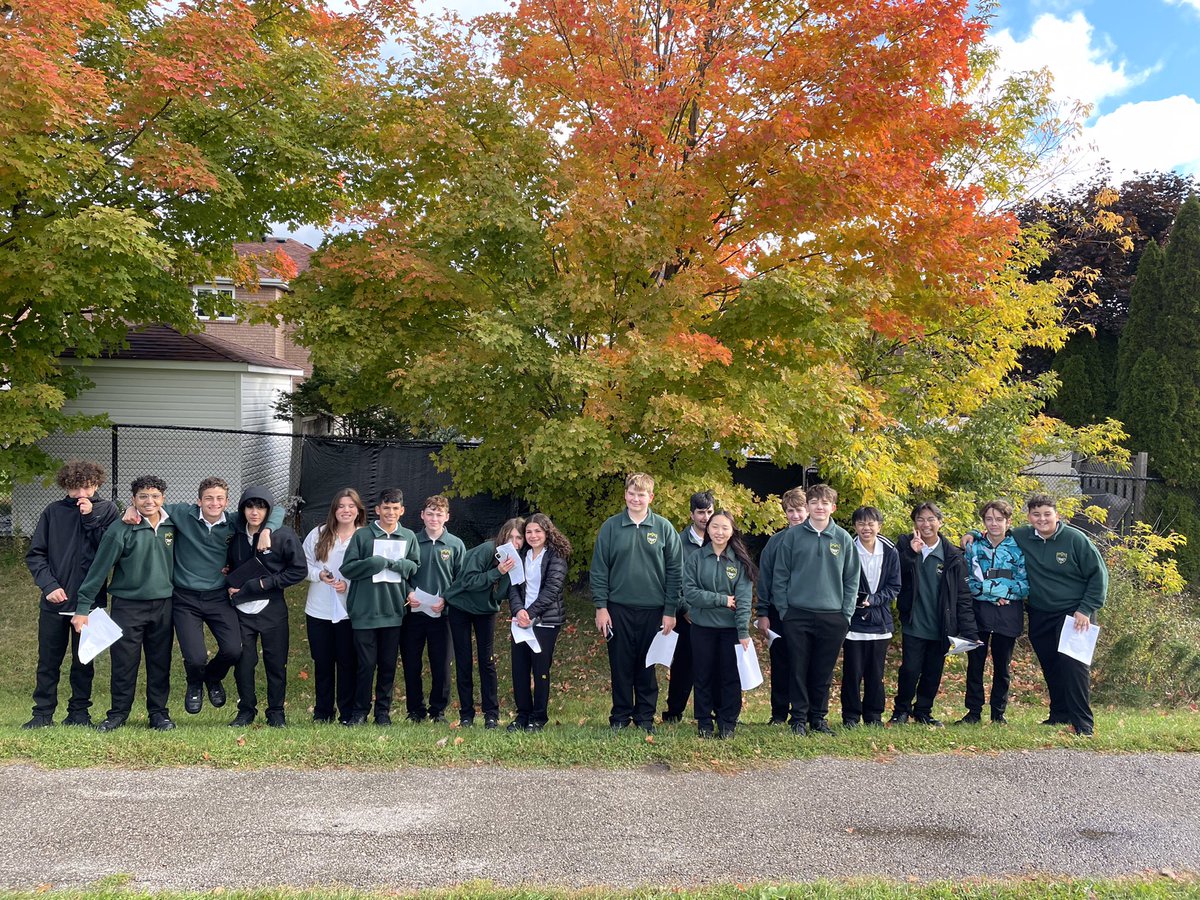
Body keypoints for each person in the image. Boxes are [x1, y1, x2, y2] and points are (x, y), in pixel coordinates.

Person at [119, 476, 284, 718]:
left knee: (233, 650)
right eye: (208, 498)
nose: (214, 503)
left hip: (218, 597)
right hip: (185, 599)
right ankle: (194, 682)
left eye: (220, 499)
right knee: (195, 658)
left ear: (227, 502)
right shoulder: (183, 514)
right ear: (199, 500)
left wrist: (267, 530)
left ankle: (212, 678)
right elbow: (151, 504)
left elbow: (277, 509)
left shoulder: (235, 521)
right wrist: (130, 507)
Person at [71, 475, 177, 732]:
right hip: (128, 606)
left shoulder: (173, 525)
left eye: (154, 496)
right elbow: (99, 570)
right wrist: (82, 608)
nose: (149, 501)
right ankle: (118, 713)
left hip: (164, 604)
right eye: (142, 497)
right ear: (133, 499)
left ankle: (159, 714)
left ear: (163, 499)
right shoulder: (120, 529)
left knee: (160, 662)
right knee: (124, 663)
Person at [24, 461, 119, 729]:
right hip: (55, 601)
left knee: (83, 662)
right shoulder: (53, 512)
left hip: (90, 604)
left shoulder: (108, 510)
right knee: (48, 661)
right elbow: (36, 554)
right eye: (75, 488)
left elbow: (108, 550)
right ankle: (42, 714)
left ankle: (79, 713)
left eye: (87, 487)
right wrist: (49, 585)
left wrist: (90, 518)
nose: (81, 494)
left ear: (97, 485)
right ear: (66, 487)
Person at [590, 472, 683, 735]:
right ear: (625, 495)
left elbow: (676, 571)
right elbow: (599, 570)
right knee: (620, 665)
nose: (636, 498)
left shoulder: (664, 528)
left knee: (646, 665)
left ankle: (645, 716)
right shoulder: (611, 527)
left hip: (654, 610)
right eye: (632, 493)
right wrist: (601, 606)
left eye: (641, 494)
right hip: (617, 608)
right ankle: (620, 715)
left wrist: (670, 611)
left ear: (650, 497)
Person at [1011, 494, 1106, 736]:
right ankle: (1059, 714)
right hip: (1040, 612)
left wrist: (1086, 609)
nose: (1042, 519)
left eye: (1046, 514)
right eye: (1036, 514)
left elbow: (1099, 576)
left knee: (1074, 666)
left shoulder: (1075, 539)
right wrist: (971, 534)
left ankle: (1083, 724)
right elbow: (995, 531)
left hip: (1075, 612)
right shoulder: (1022, 536)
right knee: (1051, 664)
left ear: (1057, 515)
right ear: (1029, 517)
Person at [770, 484, 860, 735]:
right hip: (797, 614)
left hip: (833, 616)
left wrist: (846, 614)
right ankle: (798, 719)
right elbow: (780, 576)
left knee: (823, 670)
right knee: (798, 669)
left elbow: (852, 578)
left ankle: (818, 718)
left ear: (833, 507)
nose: (819, 507)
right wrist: (784, 610)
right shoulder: (792, 537)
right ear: (808, 506)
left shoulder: (842, 538)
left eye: (824, 503)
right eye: (814, 502)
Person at [889, 502, 978, 728]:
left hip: (941, 626)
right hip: (914, 622)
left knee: (932, 671)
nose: (926, 524)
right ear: (914, 523)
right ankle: (901, 711)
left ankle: (923, 711)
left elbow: (963, 596)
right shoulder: (904, 545)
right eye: (920, 519)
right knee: (910, 669)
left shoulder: (952, 555)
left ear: (940, 521)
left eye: (931, 519)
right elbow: (893, 573)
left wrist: (969, 631)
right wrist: (912, 552)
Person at [225, 487, 306, 727]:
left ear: (268, 510)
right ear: (242, 509)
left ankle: (276, 711)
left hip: (272, 610)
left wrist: (263, 583)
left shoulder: (283, 535)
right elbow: (229, 563)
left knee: (275, 662)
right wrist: (227, 579)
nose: (254, 512)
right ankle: (246, 710)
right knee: (244, 662)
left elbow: (298, 570)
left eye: (260, 507)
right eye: (249, 506)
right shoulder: (234, 534)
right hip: (241, 611)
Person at [339, 488, 421, 726]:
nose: (390, 513)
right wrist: (373, 563)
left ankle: (382, 713)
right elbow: (348, 569)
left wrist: (399, 565)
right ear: (377, 510)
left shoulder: (408, 536)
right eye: (386, 508)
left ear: (402, 510)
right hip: (365, 610)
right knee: (365, 665)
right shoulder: (363, 536)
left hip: (393, 610)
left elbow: (415, 566)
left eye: (395, 509)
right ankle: (360, 711)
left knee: (387, 665)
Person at [444, 518, 525, 729]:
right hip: (461, 606)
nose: (515, 542)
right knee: (463, 660)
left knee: (487, 661)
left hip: (486, 611)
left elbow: (506, 593)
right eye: (511, 537)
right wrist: (498, 572)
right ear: (503, 536)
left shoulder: (516, 559)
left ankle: (491, 714)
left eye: (519, 538)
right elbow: (468, 581)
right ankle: (466, 714)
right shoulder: (487, 549)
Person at [682, 509, 755, 739]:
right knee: (703, 675)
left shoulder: (740, 561)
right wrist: (722, 600)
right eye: (715, 527)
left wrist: (743, 630)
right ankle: (704, 721)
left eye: (725, 527)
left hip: (731, 630)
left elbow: (743, 600)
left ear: (732, 531)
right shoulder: (696, 558)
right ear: (708, 529)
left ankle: (727, 723)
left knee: (729, 676)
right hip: (702, 627)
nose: (719, 532)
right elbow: (690, 594)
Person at [958, 500, 1028, 726]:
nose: (994, 524)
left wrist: (1005, 593)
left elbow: (1024, 583)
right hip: (979, 613)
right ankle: (973, 712)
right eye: (989, 519)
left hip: (1008, 613)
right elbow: (968, 581)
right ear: (983, 522)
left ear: (1009, 521)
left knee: (1002, 666)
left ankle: (998, 713)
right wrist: (993, 593)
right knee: (975, 663)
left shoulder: (1019, 547)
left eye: (999, 519)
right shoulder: (973, 547)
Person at [302, 489, 367, 724]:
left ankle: (347, 713)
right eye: (341, 506)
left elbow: (370, 572)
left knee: (348, 663)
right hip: (318, 609)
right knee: (323, 662)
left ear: (358, 510)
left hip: (351, 611)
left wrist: (348, 585)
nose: (346, 510)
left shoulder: (365, 536)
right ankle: (323, 712)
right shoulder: (318, 533)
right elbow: (303, 565)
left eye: (351, 506)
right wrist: (320, 574)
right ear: (334, 509)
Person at [402, 495, 465, 724]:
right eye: (430, 513)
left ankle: (437, 711)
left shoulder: (456, 544)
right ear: (422, 515)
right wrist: (408, 592)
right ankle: (415, 711)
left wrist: (447, 599)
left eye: (439, 514)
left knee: (441, 665)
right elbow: (401, 574)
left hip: (443, 615)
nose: (434, 518)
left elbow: (461, 579)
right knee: (411, 663)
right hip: (414, 614)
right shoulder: (411, 541)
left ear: (447, 517)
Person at [507, 513, 571, 732]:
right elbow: (513, 587)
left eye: (538, 531)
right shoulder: (520, 555)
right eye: (529, 532)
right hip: (520, 621)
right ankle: (522, 715)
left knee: (540, 669)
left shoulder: (556, 556)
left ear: (547, 532)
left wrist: (531, 613)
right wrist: (518, 610)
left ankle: (538, 717)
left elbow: (552, 589)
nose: (533, 536)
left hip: (545, 622)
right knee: (519, 670)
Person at [840, 506, 901, 728]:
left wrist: (873, 600)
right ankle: (850, 717)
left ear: (879, 525)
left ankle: (874, 715)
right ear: (855, 526)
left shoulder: (890, 551)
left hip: (880, 621)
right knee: (852, 672)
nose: (866, 528)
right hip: (853, 622)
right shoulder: (848, 549)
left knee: (876, 674)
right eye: (861, 523)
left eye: (871, 523)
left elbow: (895, 586)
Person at [755, 487, 807, 725]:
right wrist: (763, 612)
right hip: (778, 612)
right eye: (790, 511)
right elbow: (764, 579)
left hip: (807, 611)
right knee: (781, 662)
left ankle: (804, 711)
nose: (795, 515)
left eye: (799, 510)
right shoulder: (775, 542)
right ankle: (778, 713)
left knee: (805, 663)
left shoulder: (817, 539)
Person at [665, 490, 714, 724]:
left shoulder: (720, 539)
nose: (706, 517)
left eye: (709, 511)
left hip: (714, 616)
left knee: (714, 666)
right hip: (687, 616)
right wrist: (685, 609)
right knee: (683, 666)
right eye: (701, 512)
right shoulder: (678, 542)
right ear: (691, 514)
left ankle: (711, 712)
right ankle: (674, 712)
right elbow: (673, 579)